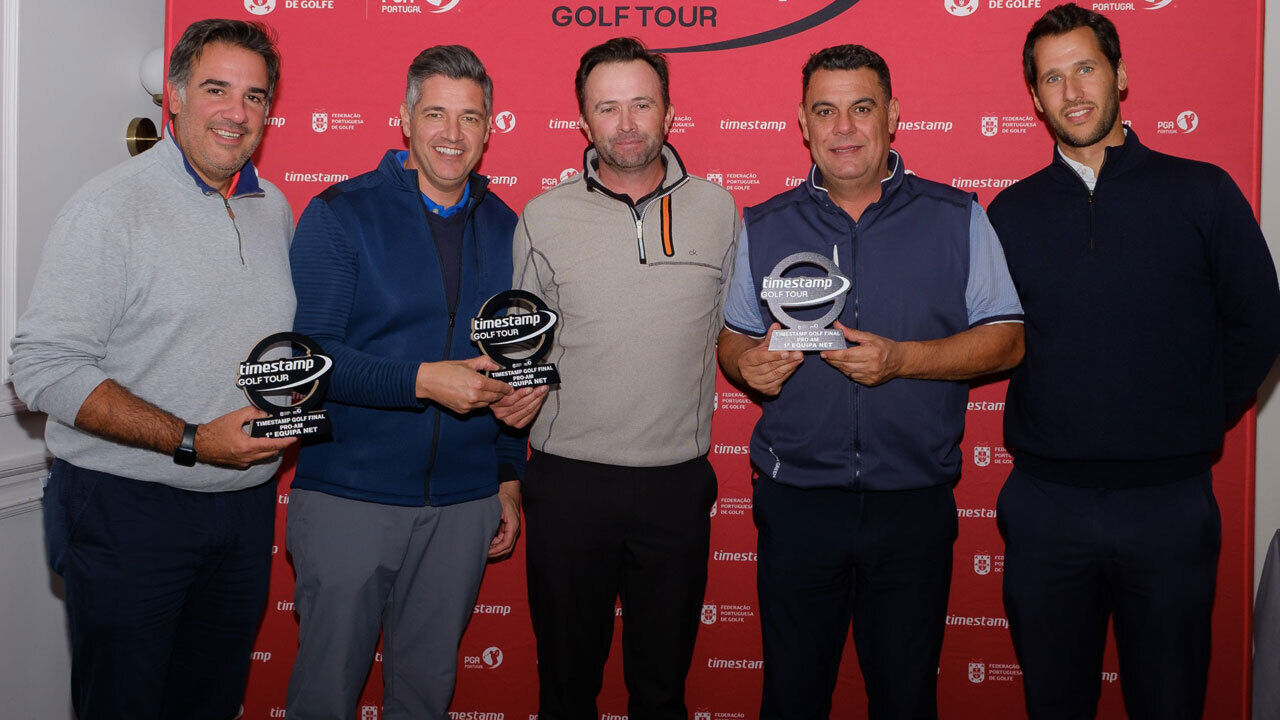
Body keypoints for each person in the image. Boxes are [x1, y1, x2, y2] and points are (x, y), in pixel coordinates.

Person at [986, 5, 1280, 718]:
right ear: (1034, 98)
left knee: (1170, 702)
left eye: (1085, 68)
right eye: (1052, 78)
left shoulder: (1201, 191)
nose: (1073, 91)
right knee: (1055, 704)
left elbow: (1260, 321)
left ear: (1120, 74)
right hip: (1045, 509)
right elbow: (985, 336)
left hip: (1170, 508)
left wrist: (1194, 414)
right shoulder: (1009, 213)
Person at [716, 44, 1024, 720]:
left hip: (911, 505)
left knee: (907, 698)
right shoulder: (763, 224)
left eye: (862, 108)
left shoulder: (958, 217)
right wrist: (745, 363)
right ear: (803, 123)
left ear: (893, 117)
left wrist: (904, 361)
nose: (844, 128)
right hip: (797, 504)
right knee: (793, 698)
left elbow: (1007, 337)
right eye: (826, 111)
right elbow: (733, 335)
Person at [8, 19, 294, 720]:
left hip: (244, 507)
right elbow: (41, 369)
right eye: (216, 89)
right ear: (174, 96)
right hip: (127, 507)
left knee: (209, 702)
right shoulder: (111, 207)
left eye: (255, 96)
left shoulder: (274, 207)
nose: (236, 112)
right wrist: (194, 438)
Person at [283, 45, 542, 719]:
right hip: (349, 496)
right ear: (404, 119)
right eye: (435, 113)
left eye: (469, 117)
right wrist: (422, 381)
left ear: (490, 128)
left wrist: (507, 477)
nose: (452, 134)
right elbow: (308, 359)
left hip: (462, 506)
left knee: (426, 696)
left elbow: (513, 365)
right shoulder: (340, 213)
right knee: (324, 696)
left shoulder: (509, 227)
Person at [512, 36, 738, 720]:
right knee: (565, 689)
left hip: (675, 485)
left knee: (663, 690)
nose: (628, 122)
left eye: (642, 103)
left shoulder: (721, 211)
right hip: (567, 483)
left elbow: (737, 333)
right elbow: (517, 354)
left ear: (670, 113)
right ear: (583, 121)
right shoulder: (542, 216)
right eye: (608, 108)